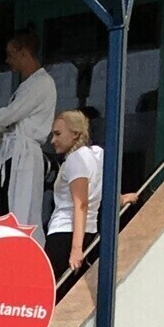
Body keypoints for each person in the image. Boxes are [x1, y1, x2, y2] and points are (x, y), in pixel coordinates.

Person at [0, 27, 59, 234]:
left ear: (24, 52)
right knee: (1, 211)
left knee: (19, 214)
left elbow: (8, 116)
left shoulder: (42, 82)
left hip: (24, 157)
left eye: (10, 54)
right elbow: (12, 128)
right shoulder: (26, 86)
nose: (8, 60)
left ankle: (19, 247)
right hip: (9, 156)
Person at [45, 107, 106, 280]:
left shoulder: (75, 159)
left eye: (58, 134)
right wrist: (122, 199)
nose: (53, 140)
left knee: (56, 288)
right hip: (88, 232)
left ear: (75, 134)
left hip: (65, 234)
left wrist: (76, 249)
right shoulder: (97, 156)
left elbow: (81, 203)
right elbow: (99, 191)